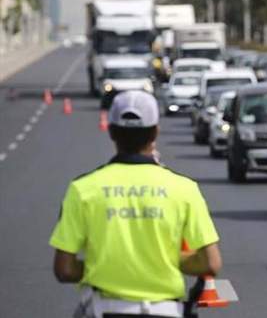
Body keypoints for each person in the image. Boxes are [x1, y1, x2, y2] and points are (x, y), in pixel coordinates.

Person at [49, 90, 222, 318]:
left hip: (104, 309)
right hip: (166, 310)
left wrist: (103, 266)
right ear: (156, 132)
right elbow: (210, 263)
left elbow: (64, 269)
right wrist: (163, 260)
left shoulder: (82, 189)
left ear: (111, 132)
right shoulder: (184, 189)